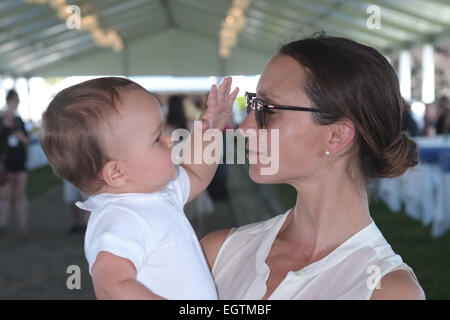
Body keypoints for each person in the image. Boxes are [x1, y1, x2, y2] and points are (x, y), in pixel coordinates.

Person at [201, 35, 425, 300]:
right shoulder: (219, 253)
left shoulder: (386, 291)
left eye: (267, 110)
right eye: (253, 105)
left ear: (336, 136)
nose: (245, 127)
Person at [39, 76, 238, 299]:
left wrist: (210, 124)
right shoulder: (120, 218)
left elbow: (195, 173)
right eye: (156, 139)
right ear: (116, 173)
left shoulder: (159, 192)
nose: (170, 140)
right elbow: (112, 286)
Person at [165, 95, 214, 236]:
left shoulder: (166, 129)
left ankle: (182, 236)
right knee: (197, 209)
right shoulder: (191, 125)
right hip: (191, 168)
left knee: (179, 208)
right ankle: (197, 236)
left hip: (173, 172)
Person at [0, 89, 29, 237]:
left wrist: (20, 136)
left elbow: (26, 140)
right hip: (6, 163)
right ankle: (3, 225)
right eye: (14, 100)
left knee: (20, 195)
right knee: (5, 195)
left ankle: (23, 226)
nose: (15, 103)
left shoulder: (19, 120)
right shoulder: (2, 119)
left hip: (19, 161)